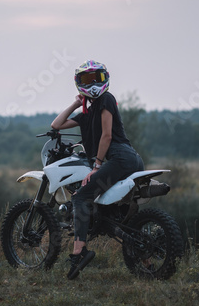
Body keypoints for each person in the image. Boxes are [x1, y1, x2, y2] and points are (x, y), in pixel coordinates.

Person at [51, 60, 144, 280]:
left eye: (97, 78)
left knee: (81, 197)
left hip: (120, 159)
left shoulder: (106, 99)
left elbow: (107, 135)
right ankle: (145, 259)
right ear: (78, 84)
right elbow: (56, 125)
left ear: (105, 78)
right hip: (129, 160)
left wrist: (97, 165)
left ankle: (79, 252)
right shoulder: (87, 114)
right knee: (116, 211)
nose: (92, 83)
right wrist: (76, 104)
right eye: (86, 79)